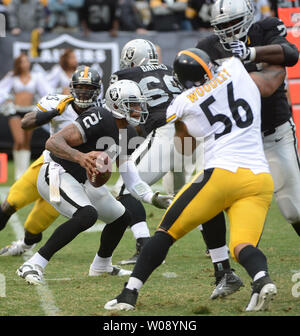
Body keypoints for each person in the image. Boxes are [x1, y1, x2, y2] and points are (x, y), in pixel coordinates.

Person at [104, 47, 286, 312]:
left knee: (166, 232)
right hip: (259, 178)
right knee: (242, 245)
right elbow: (269, 75)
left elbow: (177, 142)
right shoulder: (234, 68)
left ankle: (129, 293)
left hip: (221, 175)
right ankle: (261, 279)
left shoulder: (185, 100)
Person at [16, 77, 173, 285]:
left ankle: (101, 266)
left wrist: (151, 197)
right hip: (54, 173)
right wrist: (80, 157)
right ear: (117, 104)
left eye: (138, 104)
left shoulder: (126, 131)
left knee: (121, 217)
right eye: (133, 104)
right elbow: (52, 142)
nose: (138, 109)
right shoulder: (100, 116)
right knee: (86, 214)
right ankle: (34, 263)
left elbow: (130, 175)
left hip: (81, 181)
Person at [194, 0, 300, 300]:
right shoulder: (208, 46)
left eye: (233, 23)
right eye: (222, 27)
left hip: (272, 132)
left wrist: (251, 53)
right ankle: (223, 272)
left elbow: (291, 54)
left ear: (249, 17)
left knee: (293, 209)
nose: (228, 31)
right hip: (232, 140)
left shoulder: (265, 29)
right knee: (207, 199)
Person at [110, 39, 198, 265]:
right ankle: (216, 248)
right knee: (185, 195)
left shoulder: (125, 75)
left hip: (166, 133)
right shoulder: (170, 70)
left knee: (124, 188)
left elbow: (118, 110)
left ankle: (144, 246)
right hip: (191, 134)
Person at [0, 66, 98, 256]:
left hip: (69, 179)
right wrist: (52, 113)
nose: (84, 93)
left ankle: (25, 245)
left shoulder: (102, 112)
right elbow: (25, 123)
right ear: (72, 87)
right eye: (80, 87)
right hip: (47, 165)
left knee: (34, 227)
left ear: (97, 90)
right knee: (9, 204)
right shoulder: (59, 103)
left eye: (89, 88)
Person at [0, 53, 52, 180]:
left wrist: (41, 105)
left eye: (27, 61)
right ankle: (18, 172)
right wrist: (7, 99)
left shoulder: (36, 77)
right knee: (19, 140)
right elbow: (2, 90)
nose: (26, 64)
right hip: (15, 111)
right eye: (23, 62)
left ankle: (23, 173)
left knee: (27, 142)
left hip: (29, 111)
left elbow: (46, 91)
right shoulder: (12, 76)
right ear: (18, 64)